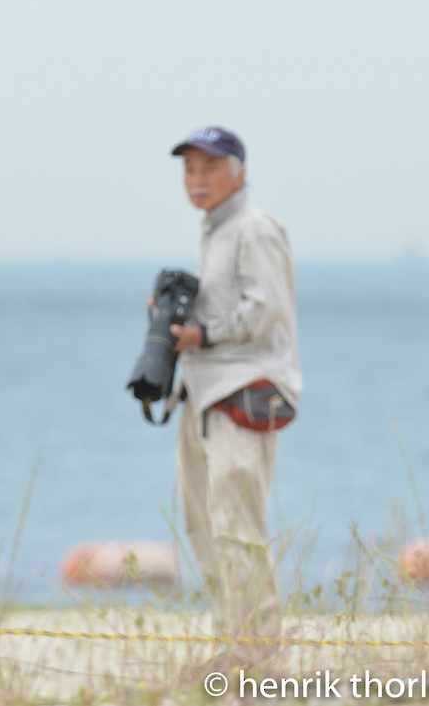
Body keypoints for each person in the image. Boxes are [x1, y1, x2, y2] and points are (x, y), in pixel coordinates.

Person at [168, 126, 302, 668]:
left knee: (238, 526)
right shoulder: (215, 231)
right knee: (203, 523)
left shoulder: (255, 227)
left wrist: (204, 334)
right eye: (190, 169)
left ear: (240, 173)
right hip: (201, 394)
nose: (197, 179)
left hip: (242, 393)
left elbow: (264, 309)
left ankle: (258, 654)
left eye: (210, 168)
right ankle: (233, 644)